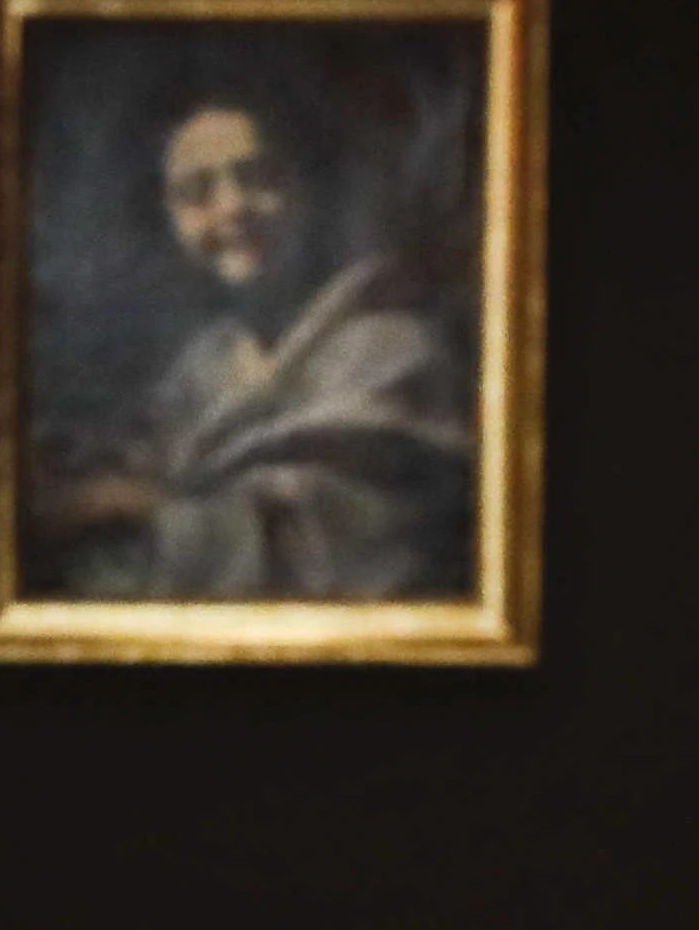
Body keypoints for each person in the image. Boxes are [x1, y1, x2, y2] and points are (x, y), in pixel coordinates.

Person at [30, 92, 476, 601]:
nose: (232, 207)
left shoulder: (394, 352)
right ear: (170, 220)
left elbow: (358, 545)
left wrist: (140, 510)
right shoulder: (196, 374)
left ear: (307, 191)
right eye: (196, 193)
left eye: (259, 177)